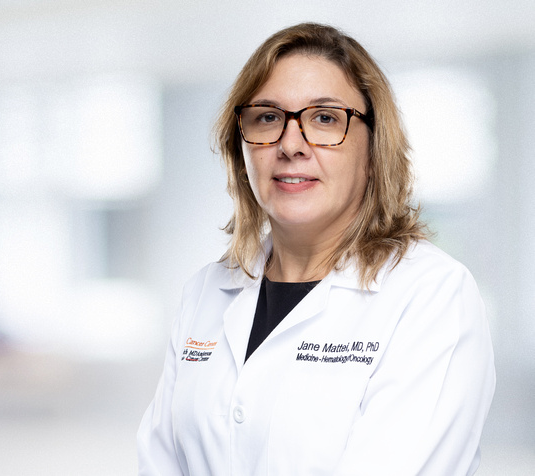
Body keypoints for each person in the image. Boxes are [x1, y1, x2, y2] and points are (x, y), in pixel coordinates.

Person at [136, 23, 495, 475]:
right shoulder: (205, 292)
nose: (290, 145)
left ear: (373, 149)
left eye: (325, 119)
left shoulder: (431, 296)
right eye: (267, 117)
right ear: (241, 149)